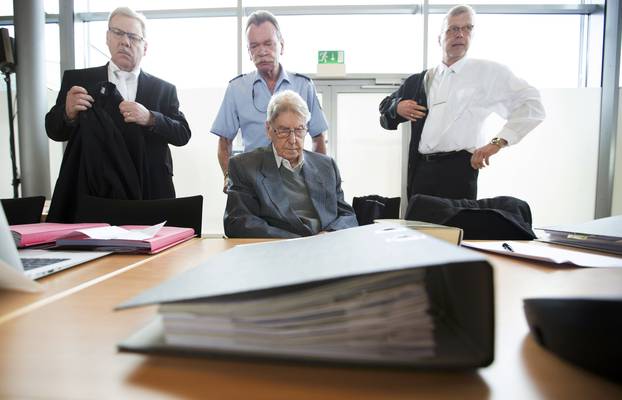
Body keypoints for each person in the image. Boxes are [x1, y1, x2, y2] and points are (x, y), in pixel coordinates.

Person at [379, 4, 545, 201]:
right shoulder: (421, 80)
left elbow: (532, 105)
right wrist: (396, 107)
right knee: (417, 229)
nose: (460, 34)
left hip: (459, 171)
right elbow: (385, 110)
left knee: (456, 229)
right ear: (439, 38)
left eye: (467, 28)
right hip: (421, 171)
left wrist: (497, 143)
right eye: (453, 29)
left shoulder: (488, 72)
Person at [45, 7, 191, 222]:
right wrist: (67, 112)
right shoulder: (79, 80)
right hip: (93, 189)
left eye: (133, 36)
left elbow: (182, 133)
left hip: (149, 188)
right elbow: (54, 130)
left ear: (145, 46)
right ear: (107, 38)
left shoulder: (163, 88)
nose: (125, 41)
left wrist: (150, 118)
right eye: (118, 33)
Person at [211, 10, 328, 192]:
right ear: (249, 52)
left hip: (295, 182)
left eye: (268, 43)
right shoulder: (236, 89)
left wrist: (317, 178)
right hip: (252, 183)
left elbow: (318, 137)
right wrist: (229, 176)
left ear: (281, 45)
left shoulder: (303, 85)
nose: (262, 51)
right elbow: (224, 141)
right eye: (254, 46)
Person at [224, 90, 357, 238]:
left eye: (299, 130)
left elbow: (347, 216)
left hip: (325, 248)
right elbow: (237, 222)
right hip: (277, 250)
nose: (293, 139)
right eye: (284, 131)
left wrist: (328, 235)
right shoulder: (244, 166)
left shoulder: (326, 166)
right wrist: (295, 242)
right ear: (269, 130)